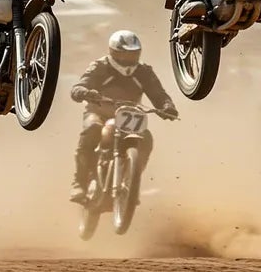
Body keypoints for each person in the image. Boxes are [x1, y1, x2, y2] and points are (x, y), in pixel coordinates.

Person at [67, 30, 179, 202]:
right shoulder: (100, 66)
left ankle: (131, 182)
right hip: (98, 112)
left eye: (133, 54)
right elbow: (79, 86)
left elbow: (158, 94)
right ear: (113, 52)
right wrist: (84, 91)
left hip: (128, 117)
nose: (129, 58)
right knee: (93, 129)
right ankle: (79, 183)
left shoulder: (144, 71)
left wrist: (167, 106)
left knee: (146, 138)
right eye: (124, 54)